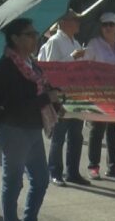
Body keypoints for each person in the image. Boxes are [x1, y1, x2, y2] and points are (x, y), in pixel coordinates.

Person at [0, 18, 59, 221]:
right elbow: (15, 104)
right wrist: (46, 99)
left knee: (40, 179)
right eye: (29, 34)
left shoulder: (31, 64)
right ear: (15, 38)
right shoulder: (6, 66)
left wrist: (52, 95)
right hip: (13, 129)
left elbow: (37, 93)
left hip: (32, 128)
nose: (34, 38)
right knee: (13, 182)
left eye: (35, 33)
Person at [37, 10, 89, 187]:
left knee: (76, 135)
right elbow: (51, 69)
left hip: (76, 94)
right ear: (64, 22)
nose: (78, 23)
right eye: (75, 20)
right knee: (59, 136)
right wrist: (72, 57)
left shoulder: (74, 41)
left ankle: (72, 172)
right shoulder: (55, 41)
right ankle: (55, 172)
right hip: (60, 95)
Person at [83, 12, 115, 180]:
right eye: (105, 25)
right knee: (97, 130)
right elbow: (85, 67)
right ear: (101, 27)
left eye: (111, 25)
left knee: (113, 132)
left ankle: (113, 166)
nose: (108, 28)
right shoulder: (93, 44)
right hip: (99, 93)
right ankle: (93, 166)